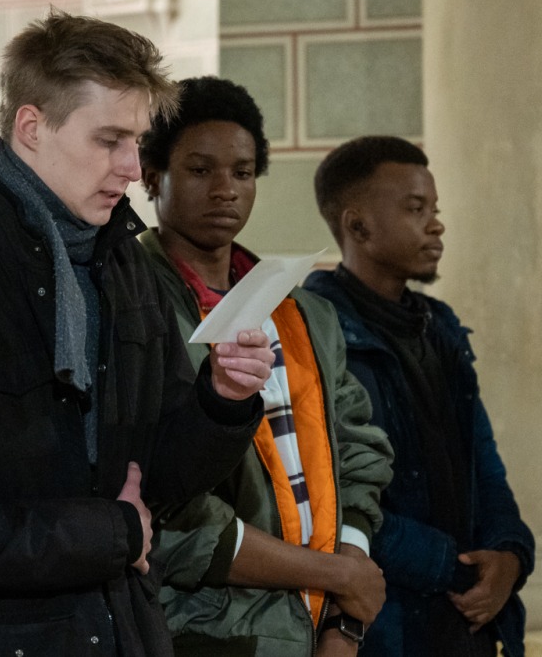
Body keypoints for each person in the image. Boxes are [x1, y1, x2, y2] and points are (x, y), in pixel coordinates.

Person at [0, 13, 277, 657]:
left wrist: (222, 399)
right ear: (32, 127)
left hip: (126, 632)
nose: (132, 167)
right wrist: (115, 532)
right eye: (109, 140)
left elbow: (159, 479)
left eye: (137, 141)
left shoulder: (127, 267)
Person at [137, 76, 394, 656]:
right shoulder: (132, 305)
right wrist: (334, 575)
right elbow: (166, 508)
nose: (225, 190)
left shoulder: (302, 312)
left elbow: (359, 454)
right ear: (152, 176)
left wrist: (345, 622)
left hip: (318, 622)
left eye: (243, 172)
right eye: (200, 170)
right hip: (201, 629)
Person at [303, 135, 536, 656]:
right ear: (358, 226)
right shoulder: (316, 331)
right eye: (415, 209)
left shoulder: (439, 326)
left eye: (435, 209)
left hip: (461, 618)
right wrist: (452, 567)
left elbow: (484, 462)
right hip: (383, 622)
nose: (436, 225)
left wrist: (510, 554)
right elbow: (331, 497)